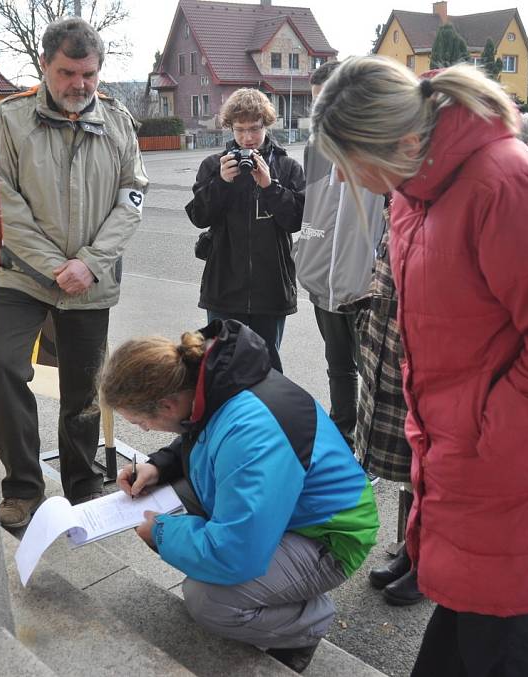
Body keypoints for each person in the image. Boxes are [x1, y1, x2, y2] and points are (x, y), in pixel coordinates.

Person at [311, 56, 528, 676]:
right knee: (465, 628)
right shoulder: (415, 191)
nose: (345, 182)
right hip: (456, 470)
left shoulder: (505, 183)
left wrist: (480, 439)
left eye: (349, 164)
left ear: (407, 141)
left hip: (502, 478)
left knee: (494, 646)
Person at [99, 319, 379, 673]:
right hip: (297, 511)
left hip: (331, 536)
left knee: (209, 600)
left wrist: (162, 533)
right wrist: (160, 465)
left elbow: (235, 553)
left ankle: (308, 623)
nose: (143, 429)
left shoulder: (250, 430)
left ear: (168, 405)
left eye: (140, 422)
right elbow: (202, 431)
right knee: (182, 500)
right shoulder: (215, 380)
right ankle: (283, 589)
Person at [0, 17, 148, 528]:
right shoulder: (8, 122)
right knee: (5, 369)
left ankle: (82, 485)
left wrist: (90, 264)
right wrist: (58, 266)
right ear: (44, 66)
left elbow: (131, 200)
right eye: (67, 73)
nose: (80, 84)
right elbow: (2, 206)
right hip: (20, 277)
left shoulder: (119, 123)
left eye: (89, 74)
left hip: (90, 282)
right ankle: (23, 487)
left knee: (83, 389)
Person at [295, 60, 385, 465]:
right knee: (338, 366)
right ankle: (342, 436)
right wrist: (306, 257)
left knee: (375, 373)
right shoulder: (315, 147)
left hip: (364, 281)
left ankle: (372, 450)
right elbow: (311, 209)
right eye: (316, 104)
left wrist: (378, 271)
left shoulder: (378, 145)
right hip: (323, 279)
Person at [186, 88, 306, 373]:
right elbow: (199, 217)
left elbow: (296, 221)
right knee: (222, 367)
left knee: (268, 368)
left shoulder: (287, 167)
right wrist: (221, 183)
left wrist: (269, 186)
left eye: (254, 129)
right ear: (230, 128)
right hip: (223, 287)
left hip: (272, 289)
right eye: (240, 130)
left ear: (266, 125)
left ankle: (267, 418)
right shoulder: (214, 165)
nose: (248, 138)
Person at [347, 210, 423, 606]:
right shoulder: (403, 199)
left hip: (423, 355)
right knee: (409, 467)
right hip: (388, 342)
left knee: (426, 467)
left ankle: (426, 566)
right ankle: (410, 551)